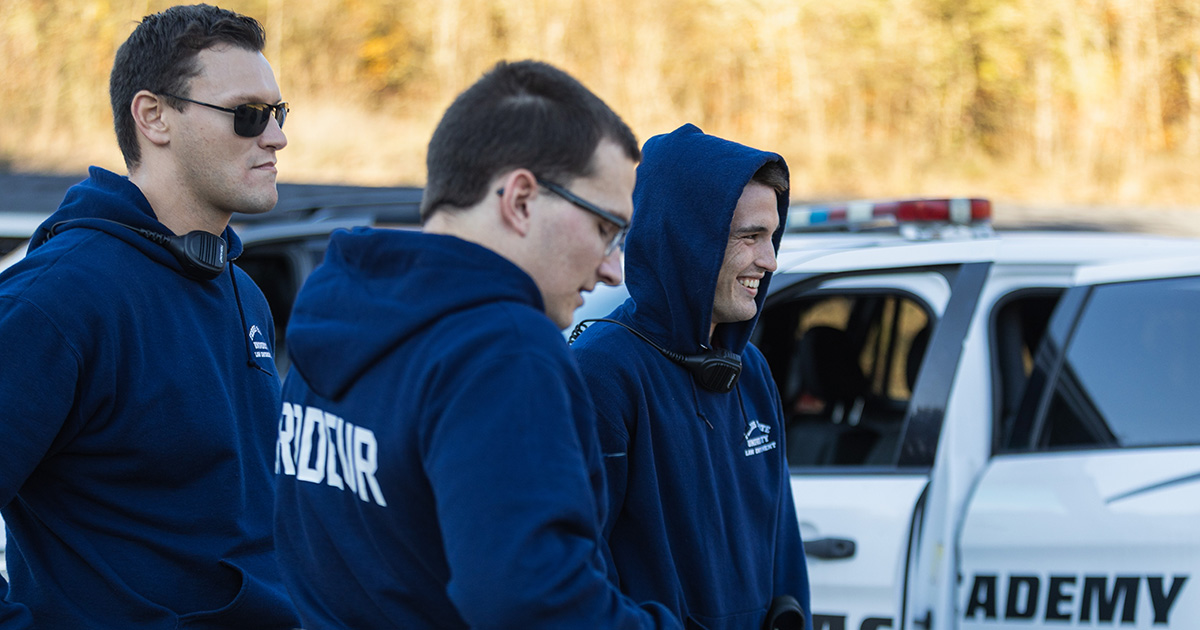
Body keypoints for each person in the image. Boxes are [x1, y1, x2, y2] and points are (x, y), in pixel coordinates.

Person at [272, 60, 681, 630]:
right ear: (519, 200)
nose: (614, 270)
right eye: (605, 229)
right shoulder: (505, 349)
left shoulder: (340, 313)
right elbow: (535, 602)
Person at [0, 5, 298, 628]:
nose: (276, 138)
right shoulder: (59, 299)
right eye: (248, 115)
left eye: (278, 114)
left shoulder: (242, 291)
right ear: (154, 116)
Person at [571, 123, 813, 630]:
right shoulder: (601, 373)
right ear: (688, 241)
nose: (769, 261)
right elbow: (576, 578)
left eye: (772, 237)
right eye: (749, 237)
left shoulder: (752, 372)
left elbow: (784, 554)